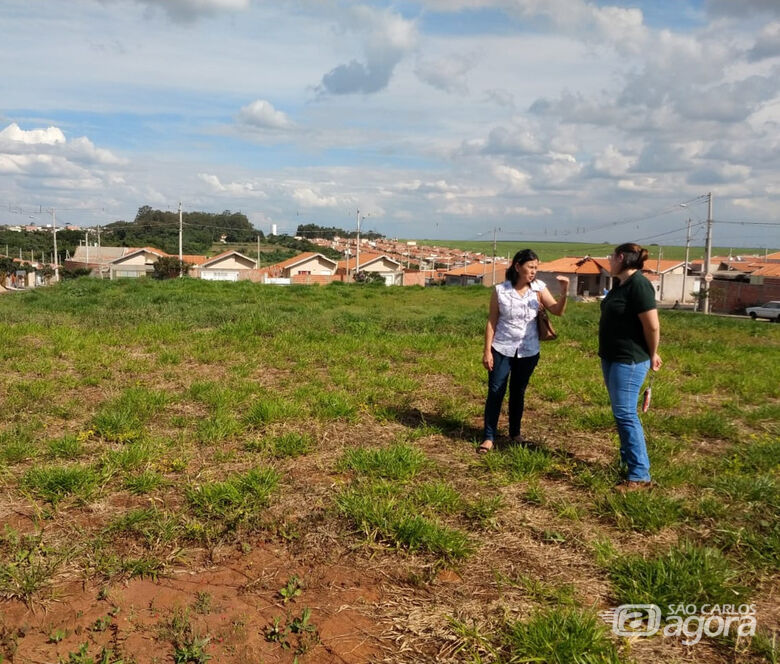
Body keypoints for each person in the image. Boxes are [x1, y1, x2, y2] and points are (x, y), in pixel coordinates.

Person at [479, 249, 569, 453]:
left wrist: (564, 292)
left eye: (536, 268)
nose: (533, 271)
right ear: (518, 266)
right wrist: (487, 351)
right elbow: (492, 320)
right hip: (501, 348)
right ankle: (489, 436)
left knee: (518, 392)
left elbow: (557, 311)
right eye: (530, 267)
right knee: (495, 391)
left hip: (528, 351)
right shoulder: (500, 290)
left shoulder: (538, 289)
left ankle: (515, 433)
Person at [599, 242, 662, 491]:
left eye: (611, 257)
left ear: (621, 257)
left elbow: (652, 326)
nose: (609, 260)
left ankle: (639, 475)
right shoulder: (622, 284)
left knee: (626, 414)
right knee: (621, 412)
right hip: (613, 357)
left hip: (629, 360)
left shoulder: (639, 285)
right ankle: (629, 462)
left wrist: (653, 353)